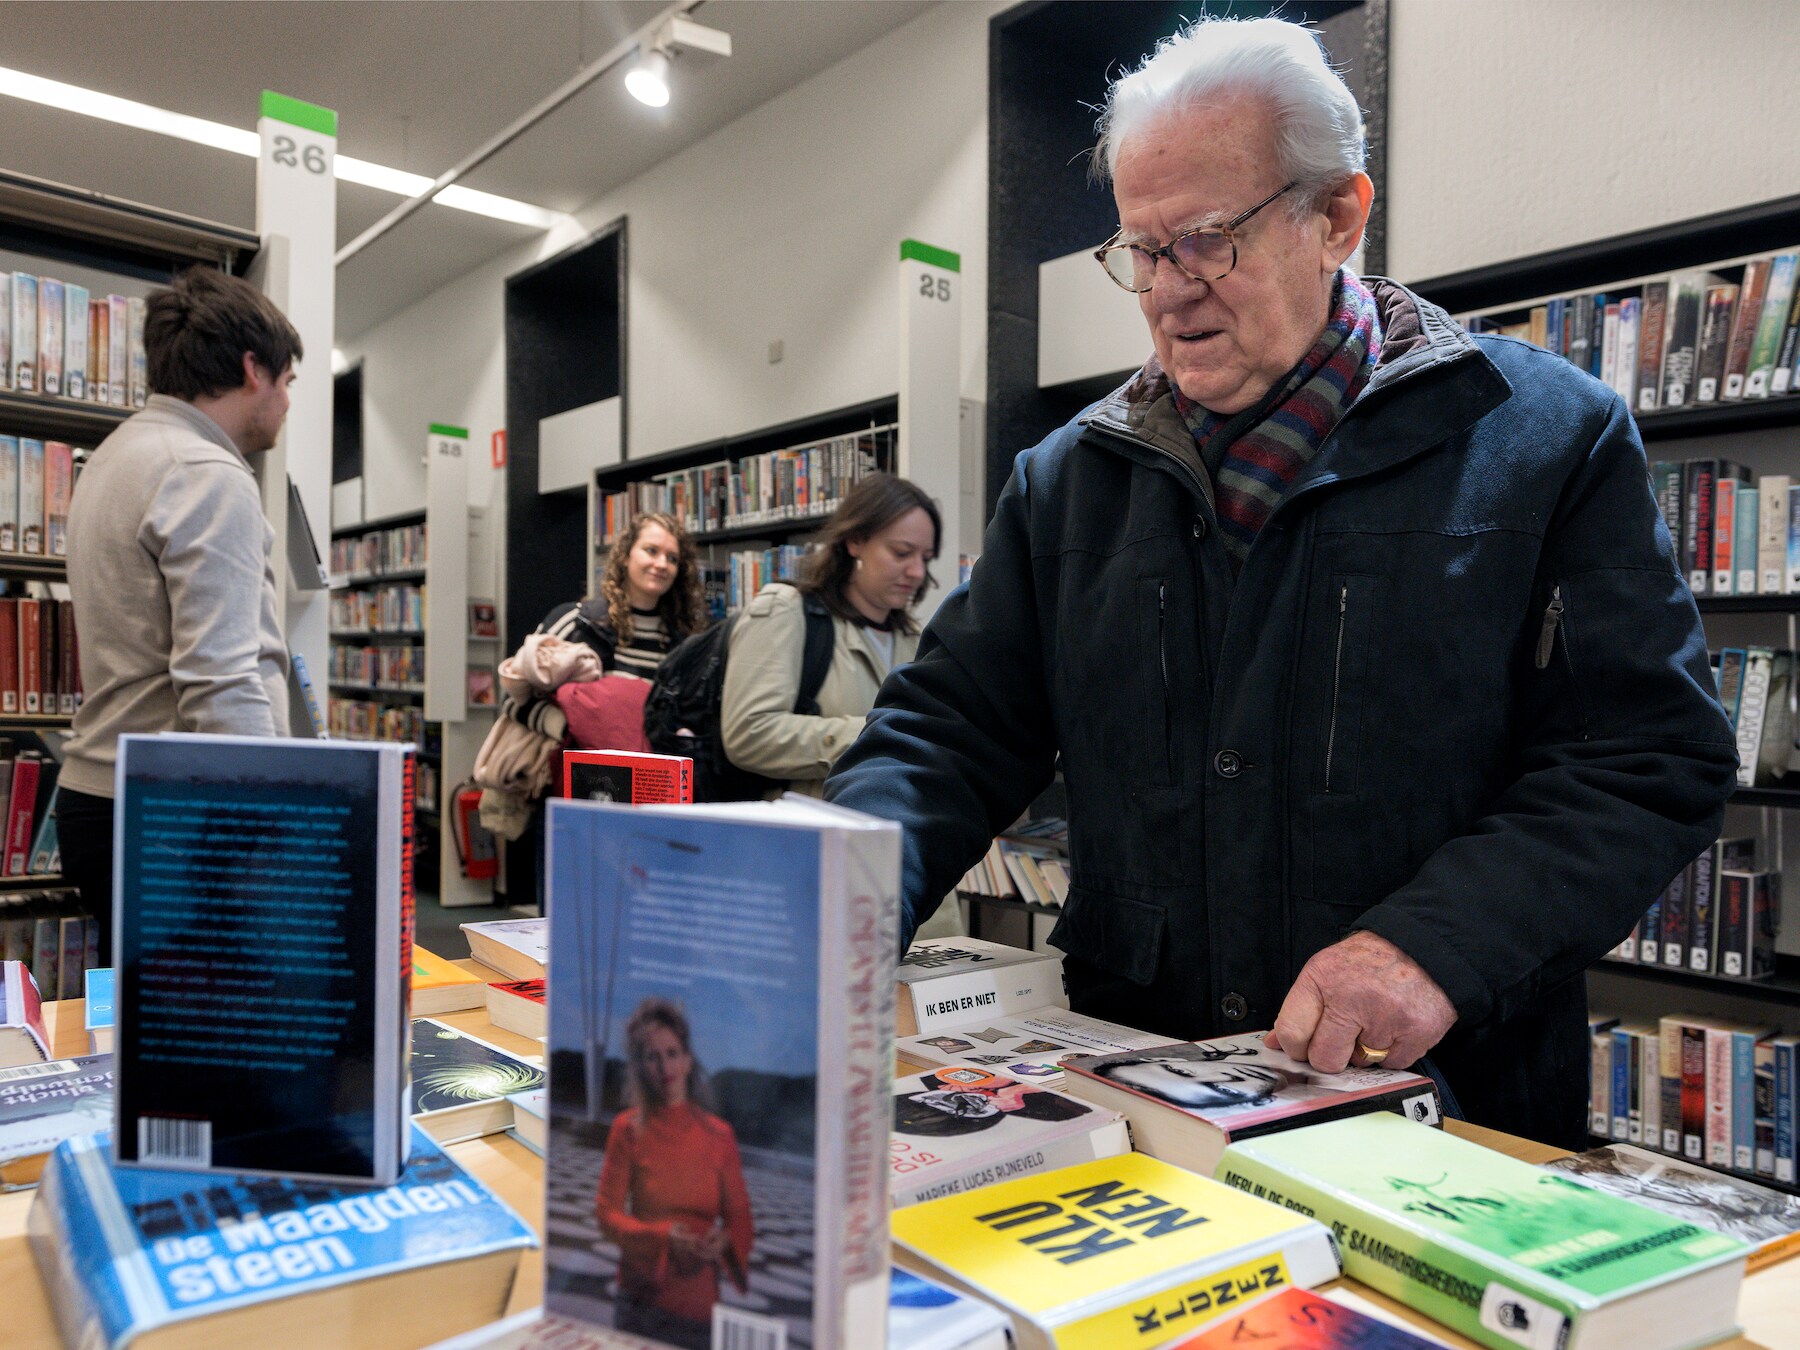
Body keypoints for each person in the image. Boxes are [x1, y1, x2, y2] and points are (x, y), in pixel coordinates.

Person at [825, 15, 1735, 1149]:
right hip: (1136, 1108)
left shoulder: (1546, 439)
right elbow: (948, 733)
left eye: (1205, 241)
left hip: (1441, 1099)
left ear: (1336, 218)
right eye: (1139, 253)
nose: (1165, 293)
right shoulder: (1069, 479)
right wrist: (829, 905)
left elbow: (1646, 758)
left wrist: (1432, 947)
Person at [59, 266, 303, 965]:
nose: (286, 403)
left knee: (152, 1038)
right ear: (252, 368)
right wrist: (278, 826)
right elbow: (220, 679)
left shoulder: (117, 455)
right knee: (221, 1040)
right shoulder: (206, 471)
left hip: (107, 796)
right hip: (179, 816)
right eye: (286, 382)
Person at [720, 472, 937, 798]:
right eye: (901, 552)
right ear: (855, 542)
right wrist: (872, 734)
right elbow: (748, 734)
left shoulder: (916, 640)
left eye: (925, 558)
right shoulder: (787, 612)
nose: (917, 572)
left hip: (886, 836)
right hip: (801, 838)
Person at [594, 998, 752, 1349]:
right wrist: (663, 1238)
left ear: (687, 1058)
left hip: (697, 1308)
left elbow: (740, 1219)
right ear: (641, 1066)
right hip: (639, 1300)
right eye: (653, 1056)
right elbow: (607, 1215)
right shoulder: (627, 1129)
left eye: (672, 1052)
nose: (665, 1065)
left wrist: (724, 1240)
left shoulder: (719, 1135)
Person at [499, 510, 706, 746]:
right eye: (651, 551)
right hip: (575, 775)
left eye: (672, 558)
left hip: (648, 777)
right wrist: (567, 730)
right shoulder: (578, 622)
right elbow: (512, 697)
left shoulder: (682, 644)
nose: (662, 564)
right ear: (626, 555)